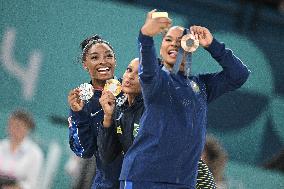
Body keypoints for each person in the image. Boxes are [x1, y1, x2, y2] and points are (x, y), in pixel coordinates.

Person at [119, 10, 250, 189]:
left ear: (190, 45)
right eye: (168, 40)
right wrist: (146, 36)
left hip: (183, 181)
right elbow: (147, 69)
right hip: (145, 177)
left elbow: (239, 75)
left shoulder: (201, 86)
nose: (174, 44)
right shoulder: (157, 79)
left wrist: (212, 44)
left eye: (180, 40)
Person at [98, 58, 217, 189]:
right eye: (129, 70)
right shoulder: (120, 108)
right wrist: (108, 117)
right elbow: (107, 156)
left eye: (140, 74)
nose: (130, 76)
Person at [68, 34, 123, 189]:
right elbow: (84, 151)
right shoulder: (81, 103)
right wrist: (79, 115)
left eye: (108, 56)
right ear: (85, 64)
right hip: (107, 184)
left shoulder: (129, 88)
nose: (103, 62)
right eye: (94, 57)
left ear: (115, 60)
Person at [0, 109, 44, 189]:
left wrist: (16, 187)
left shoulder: (34, 153)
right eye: (11, 125)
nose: (14, 129)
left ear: (27, 129)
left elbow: (32, 183)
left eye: (18, 126)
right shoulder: (1, 146)